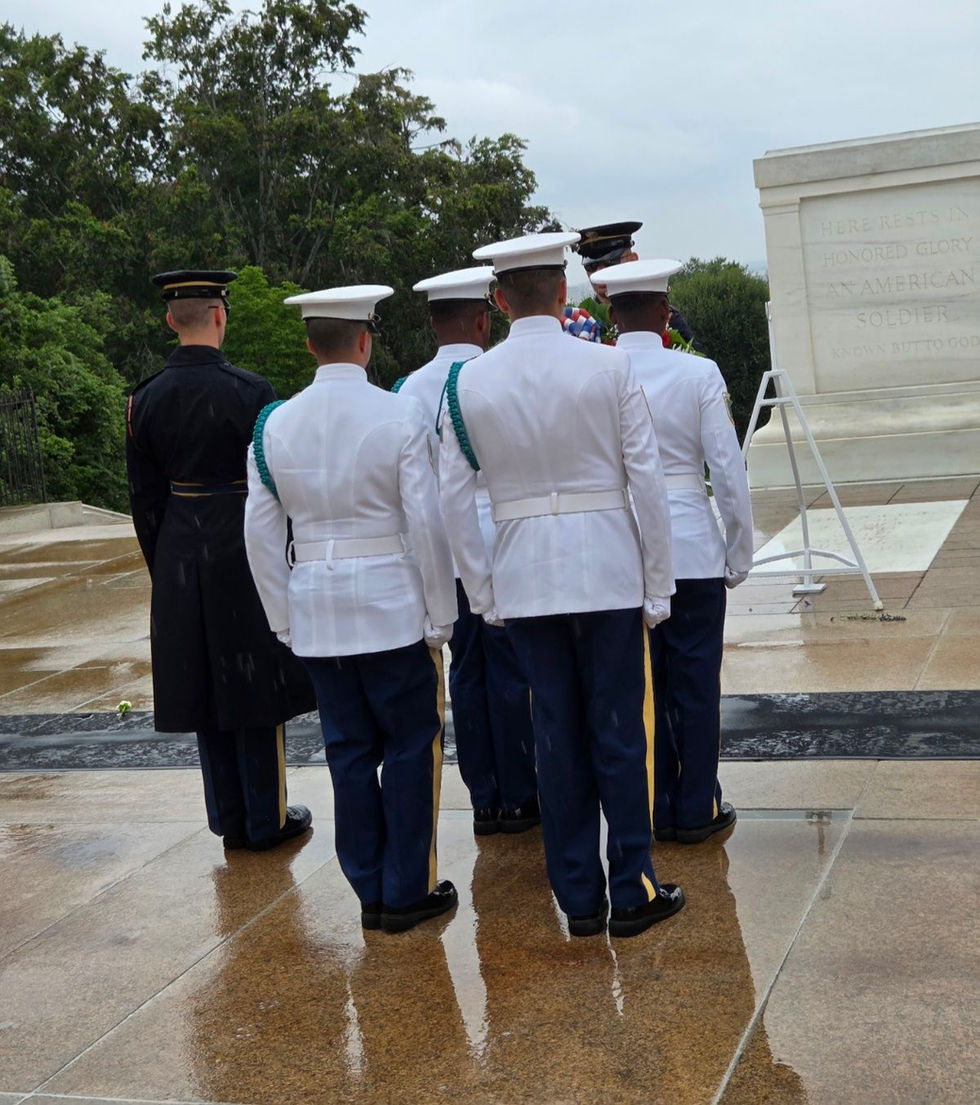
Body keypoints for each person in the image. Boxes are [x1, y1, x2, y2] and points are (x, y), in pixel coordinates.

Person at [439, 232, 684, 938]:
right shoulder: (607, 367)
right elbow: (647, 480)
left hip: (524, 572)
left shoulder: (468, 383)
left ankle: (578, 895)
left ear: (499, 299)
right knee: (619, 730)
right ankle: (631, 887)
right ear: (564, 291)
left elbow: (456, 497)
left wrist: (481, 588)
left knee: (555, 734)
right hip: (606, 566)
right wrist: (658, 582)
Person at [243, 284, 459, 933]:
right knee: (410, 744)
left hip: (318, 612)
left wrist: (283, 615)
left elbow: (258, 529)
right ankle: (407, 886)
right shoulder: (398, 415)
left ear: (311, 343)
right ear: (365, 340)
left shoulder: (275, 422)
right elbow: (425, 520)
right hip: (391, 606)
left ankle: (368, 886)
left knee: (348, 751)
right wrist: (438, 611)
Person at [126, 269, 315, 852]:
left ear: (169, 320)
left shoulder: (144, 398)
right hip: (242, 537)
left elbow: (143, 498)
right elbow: (276, 484)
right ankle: (268, 816)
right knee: (255, 678)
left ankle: (228, 816)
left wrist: (169, 569)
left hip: (181, 541)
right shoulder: (251, 391)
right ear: (219, 315)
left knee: (206, 679)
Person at [601, 258, 754, 843]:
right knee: (696, 685)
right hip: (691, 548)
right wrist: (738, 553)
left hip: (624, 551)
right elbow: (728, 471)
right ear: (665, 313)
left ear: (612, 314)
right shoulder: (699, 373)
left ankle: (654, 803)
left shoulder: (598, 373)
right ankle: (696, 807)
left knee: (640, 689)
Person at [398, 265, 538, 836]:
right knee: (513, 674)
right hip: (502, 543)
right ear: (483, 319)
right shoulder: (493, 376)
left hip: (445, 553)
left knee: (466, 676)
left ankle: (484, 796)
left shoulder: (408, 390)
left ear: (434, 325)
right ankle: (522, 793)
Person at [574, 220, 696, 342]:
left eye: (610, 263)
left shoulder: (662, 316)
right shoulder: (579, 322)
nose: (599, 272)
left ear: (633, 260)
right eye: (591, 266)